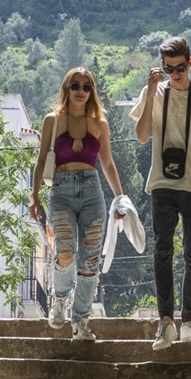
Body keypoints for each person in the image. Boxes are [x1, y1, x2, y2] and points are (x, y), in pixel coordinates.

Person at [132, 35, 191, 350]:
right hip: (162, 183)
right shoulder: (155, 93)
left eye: (179, 67)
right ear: (162, 67)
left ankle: (189, 322)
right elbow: (143, 135)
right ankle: (165, 323)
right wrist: (149, 93)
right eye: (168, 68)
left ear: (190, 63)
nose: (174, 73)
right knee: (162, 251)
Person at [28, 66, 126, 341]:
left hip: (92, 190)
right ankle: (59, 300)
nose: (81, 91)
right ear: (67, 89)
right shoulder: (53, 120)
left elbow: (107, 163)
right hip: (60, 189)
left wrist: (120, 198)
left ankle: (80, 321)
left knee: (91, 260)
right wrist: (34, 196)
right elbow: (39, 161)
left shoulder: (100, 124)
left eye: (86, 87)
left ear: (91, 92)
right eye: (76, 86)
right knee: (66, 251)